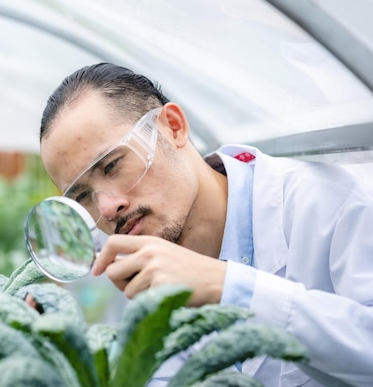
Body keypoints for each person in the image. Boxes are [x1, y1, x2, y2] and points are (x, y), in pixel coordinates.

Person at [38, 62, 373, 386]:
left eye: (112, 166)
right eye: (82, 196)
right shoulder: (133, 276)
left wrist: (228, 286)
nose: (108, 209)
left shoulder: (329, 204)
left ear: (173, 126)